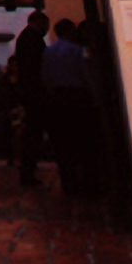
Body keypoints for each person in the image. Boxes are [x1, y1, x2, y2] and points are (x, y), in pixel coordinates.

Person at [43, 17, 100, 195]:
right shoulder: (79, 51)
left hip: (58, 99)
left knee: (64, 142)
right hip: (78, 97)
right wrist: (95, 95)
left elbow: (45, 78)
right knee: (83, 140)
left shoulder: (48, 52)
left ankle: (69, 182)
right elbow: (86, 74)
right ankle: (88, 182)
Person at [11, 11, 50, 187]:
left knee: (31, 133)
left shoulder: (25, 38)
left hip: (29, 92)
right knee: (32, 134)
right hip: (34, 93)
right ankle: (28, 172)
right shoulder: (32, 39)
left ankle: (28, 172)